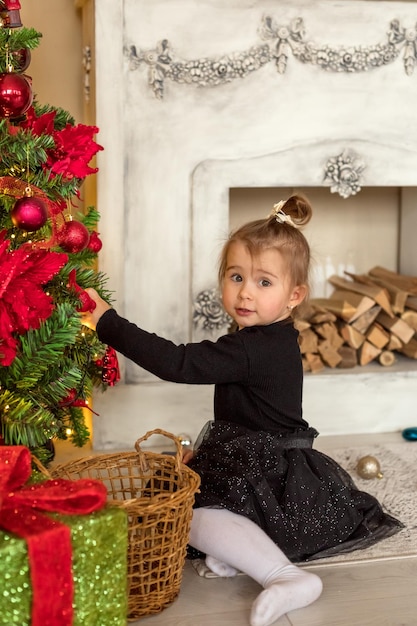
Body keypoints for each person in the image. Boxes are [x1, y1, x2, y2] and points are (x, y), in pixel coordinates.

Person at [82, 194, 403, 626]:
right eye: (236, 276)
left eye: (264, 282)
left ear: (295, 296)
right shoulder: (270, 336)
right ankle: (239, 550)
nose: (245, 292)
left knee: (188, 517)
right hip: (257, 454)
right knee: (189, 492)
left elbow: (177, 363)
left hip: (275, 473)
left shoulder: (252, 348)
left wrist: (108, 322)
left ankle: (285, 577)